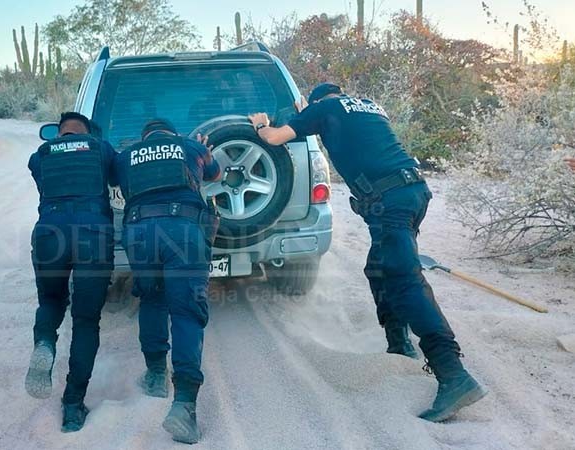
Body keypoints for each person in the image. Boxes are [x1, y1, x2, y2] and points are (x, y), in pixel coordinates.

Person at [248, 83, 487, 422]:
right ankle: (398, 342)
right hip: (415, 193)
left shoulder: (323, 110)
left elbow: (273, 138)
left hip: (389, 202)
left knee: (405, 281)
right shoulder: (368, 105)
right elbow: (348, 130)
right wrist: (310, 112)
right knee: (378, 268)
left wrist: (260, 123)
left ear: (315, 101)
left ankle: (453, 374)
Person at [117, 118, 221, 444]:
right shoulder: (191, 147)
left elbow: (114, 179)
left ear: (144, 136)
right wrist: (202, 149)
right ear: (173, 135)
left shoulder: (127, 154)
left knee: (152, 299)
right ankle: (184, 406)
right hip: (184, 230)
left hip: (139, 232)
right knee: (187, 310)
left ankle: (156, 375)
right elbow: (215, 173)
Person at [25, 112, 117, 432]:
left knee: (51, 302)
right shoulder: (100, 148)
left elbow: (43, 180)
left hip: (50, 233)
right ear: (87, 131)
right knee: (86, 319)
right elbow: (116, 177)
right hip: (93, 234)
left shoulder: (41, 155)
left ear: (59, 131)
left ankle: (45, 345)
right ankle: (73, 405)